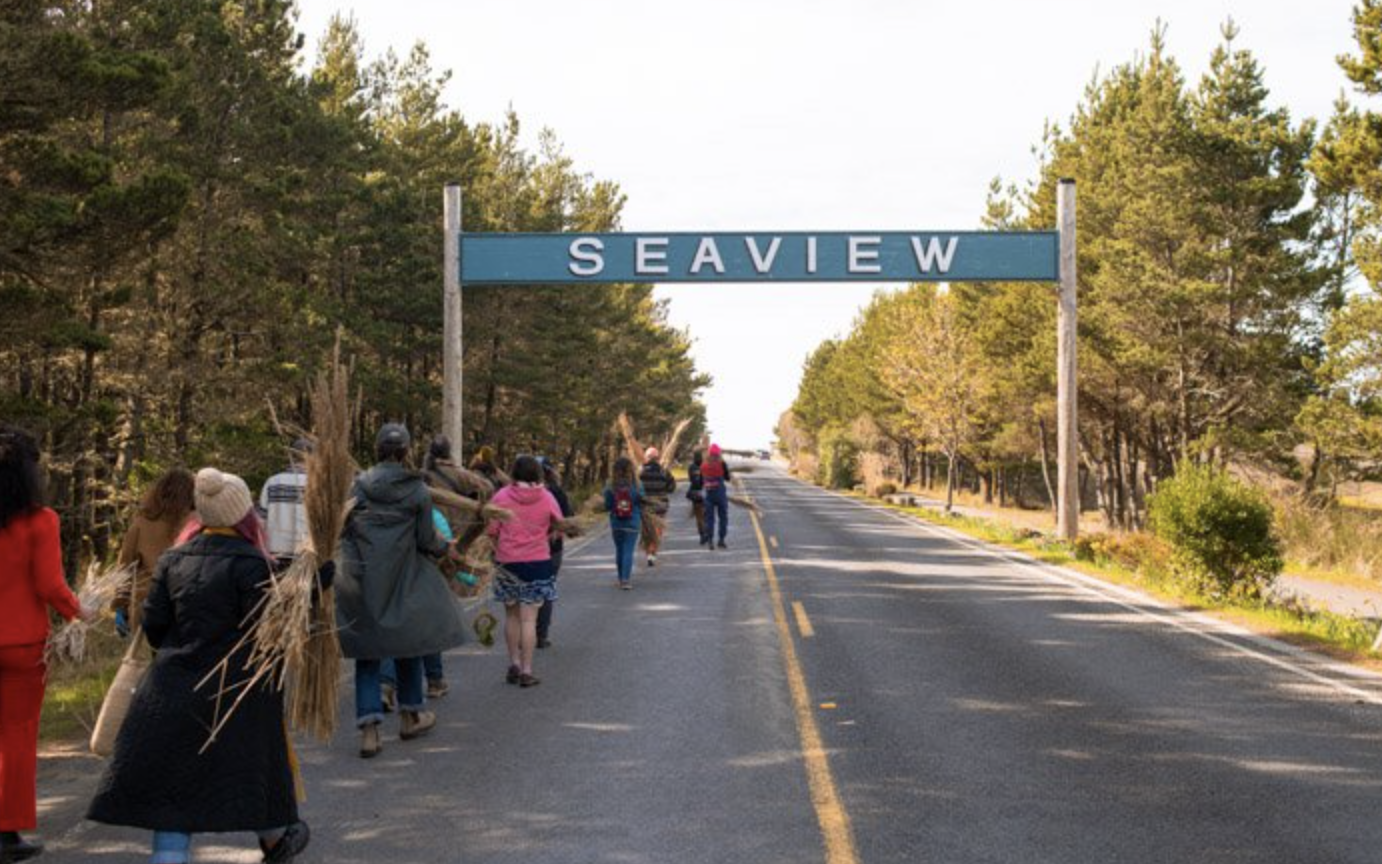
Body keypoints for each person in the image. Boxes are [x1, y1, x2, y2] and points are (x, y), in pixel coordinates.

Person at [88, 467, 316, 864]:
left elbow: (155, 629)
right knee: (252, 773)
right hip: (236, 697)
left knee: (172, 800)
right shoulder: (253, 564)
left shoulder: (173, 560)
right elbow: (271, 633)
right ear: (244, 513)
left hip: (171, 693)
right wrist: (311, 589)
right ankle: (278, 840)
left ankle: (179, 855)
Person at [337, 423, 468, 758]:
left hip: (363, 579)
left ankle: (369, 731)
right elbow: (426, 540)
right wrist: (447, 547)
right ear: (406, 451)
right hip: (404, 579)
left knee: (368, 652)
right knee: (410, 644)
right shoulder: (417, 490)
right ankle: (411, 716)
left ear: (377, 449)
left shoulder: (358, 486)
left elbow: (342, 530)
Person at [0, 425, 91, 863]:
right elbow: (49, 584)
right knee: (16, 738)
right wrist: (79, 612)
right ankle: (5, 833)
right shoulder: (41, 520)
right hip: (20, 645)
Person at [487, 455, 568, 687]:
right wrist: (546, 534)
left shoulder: (501, 496)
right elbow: (560, 526)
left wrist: (499, 545)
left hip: (507, 562)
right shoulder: (547, 497)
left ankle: (513, 664)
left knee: (511, 616)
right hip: (537, 562)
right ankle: (527, 670)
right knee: (529, 620)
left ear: (514, 473)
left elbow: (491, 530)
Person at [113, 467, 195, 637]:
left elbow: (125, 568)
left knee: (144, 653)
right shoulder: (197, 523)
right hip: (185, 605)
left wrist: (120, 606)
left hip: (146, 605)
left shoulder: (142, 523)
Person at [536, 457, 574, 649]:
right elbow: (568, 519)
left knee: (522, 594)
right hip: (552, 548)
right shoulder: (556, 492)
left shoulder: (509, 493)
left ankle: (523, 632)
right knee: (546, 589)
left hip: (519, 550)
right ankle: (541, 634)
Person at [258, 438, 311, 569]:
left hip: (275, 553)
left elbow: (261, 521)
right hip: (307, 553)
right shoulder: (316, 485)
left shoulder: (272, 482)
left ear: (291, 457)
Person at [603, 457, 644, 590]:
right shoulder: (637, 485)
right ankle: (625, 580)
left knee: (619, 550)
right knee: (628, 550)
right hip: (633, 521)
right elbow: (642, 502)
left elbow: (607, 505)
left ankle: (621, 578)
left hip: (617, 522)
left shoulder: (610, 485)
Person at [637, 447, 676, 566]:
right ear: (657, 458)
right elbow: (672, 488)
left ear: (647, 457)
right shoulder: (664, 471)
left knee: (646, 530)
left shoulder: (640, 470)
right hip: (660, 506)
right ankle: (653, 553)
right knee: (658, 530)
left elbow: (635, 488)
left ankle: (648, 553)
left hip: (645, 506)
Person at [702, 443, 733, 549]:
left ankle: (710, 541)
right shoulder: (722, 464)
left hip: (708, 495)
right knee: (723, 518)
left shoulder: (704, 465)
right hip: (720, 495)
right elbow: (727, 478)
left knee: (709, 519)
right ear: (719, 453)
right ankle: (721, 540)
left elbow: (701, 480)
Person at [686, 450, 709, 546]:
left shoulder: (691, 467)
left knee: (699, 516)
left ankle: (702, 534)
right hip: (705, 493)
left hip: (695, 494)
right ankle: (706, 532)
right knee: (705, 515)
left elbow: (691, 480)